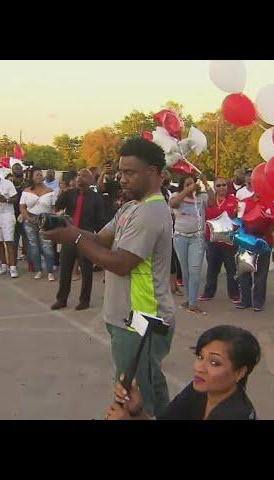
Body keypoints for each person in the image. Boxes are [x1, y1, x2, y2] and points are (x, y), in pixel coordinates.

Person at [42, 137, 175, 417]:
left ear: (152, 173)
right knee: (129, 385)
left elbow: (121, 263)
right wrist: (68, 227)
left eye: (129, 172)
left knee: (140, 392)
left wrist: (74, 237)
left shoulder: (150, 212)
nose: (121, 179)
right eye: (120, 171)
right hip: (126, 315)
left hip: (143, 317)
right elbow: (101, 239)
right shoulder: (131, 207)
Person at [105, 325, 260, 420]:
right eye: (200, 357)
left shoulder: (235, 415)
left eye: (214, 362)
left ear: (239, 372)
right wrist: (137, 410)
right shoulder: (198, 391)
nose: (199, 367)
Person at [50, 168, 103, 310]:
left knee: (86, 271)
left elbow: (100, 220)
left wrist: (99, 240)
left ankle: (84, 300)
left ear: (91, 180)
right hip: (69, 236)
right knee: (65, 269)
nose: (80, 178)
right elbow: (58, 207)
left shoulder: (96, 198)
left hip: (86, 237)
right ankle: (61, 299)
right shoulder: (69, 194)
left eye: (84, 176)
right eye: (78, 175)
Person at [170, 173, 216, 314]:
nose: (191, 187)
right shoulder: (176, 196)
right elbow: (173, 204)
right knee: (185, 271)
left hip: (197, 238)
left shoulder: (201, 197)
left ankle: (192, 303)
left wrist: (205, 182)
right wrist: (187, 191)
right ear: (182, 186)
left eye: (193, 184)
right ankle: (189, 299)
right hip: (180, 237)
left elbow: (212, 202)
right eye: (187, 184)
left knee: (194, 270)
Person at [198, 177, 240, 303]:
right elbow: (209, 198)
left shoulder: (234, 200)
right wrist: (205, 182)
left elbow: (238, 218)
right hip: (212, 240)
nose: (222, 187)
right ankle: (208, 293)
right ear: (215, 188)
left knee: (231, 268)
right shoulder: (210, 200)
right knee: (212, 268)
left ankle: (234, 294)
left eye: (224, 185)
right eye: (219, 185)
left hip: (228, 241)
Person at [235, 194, 274, 311]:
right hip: (246, 242)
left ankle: (258, 302)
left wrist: (266, 233)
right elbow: (238, 221)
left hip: (263, 243)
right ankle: (245, 300)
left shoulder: (269, 202)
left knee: (261, 274)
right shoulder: (243, 202)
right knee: (244, 272)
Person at [20, 168, 56, 280]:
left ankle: (50, 271)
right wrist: (28, 218)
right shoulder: (26, 191)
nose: (39, 176)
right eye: (37, 175)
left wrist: (51, 219)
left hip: (45, 220)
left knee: (47, 245)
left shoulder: (50, 191)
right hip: (30, 220)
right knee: (33, 246)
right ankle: (38, 270)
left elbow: (53, 208)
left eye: (41, 174)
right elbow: (22, 207)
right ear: (32, 177)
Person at [11, 163, 30, 263]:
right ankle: (13, 263)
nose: (18, 169)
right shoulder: (9, 183)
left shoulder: (27, 183)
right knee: (13, 240)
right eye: (16, 168)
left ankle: (31, 263)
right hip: (12, 215)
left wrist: (24, 213)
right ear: (12, 170)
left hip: (25, 213)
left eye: (19, 168)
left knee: (27, 240)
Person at [97, 160, 121, 225]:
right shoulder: (99, 179)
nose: (109, 168)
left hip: (118, 212)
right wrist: (103, 174)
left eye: (110, 166)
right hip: (104, 214)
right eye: (106, 166)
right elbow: (100, 188)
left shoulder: (120, 178)